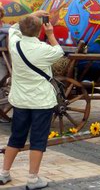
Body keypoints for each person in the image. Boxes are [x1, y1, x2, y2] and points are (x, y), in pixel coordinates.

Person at [0, 10, 63, 189]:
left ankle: (4, 173)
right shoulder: (43, 50)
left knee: (16, 137)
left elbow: (13, 27)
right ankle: (33, 179)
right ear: (39, 31)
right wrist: (50, 34)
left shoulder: (15, 43)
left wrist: (33, 13)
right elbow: (59, 51)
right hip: (41, 101)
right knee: (38, 139)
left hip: (20, 100)